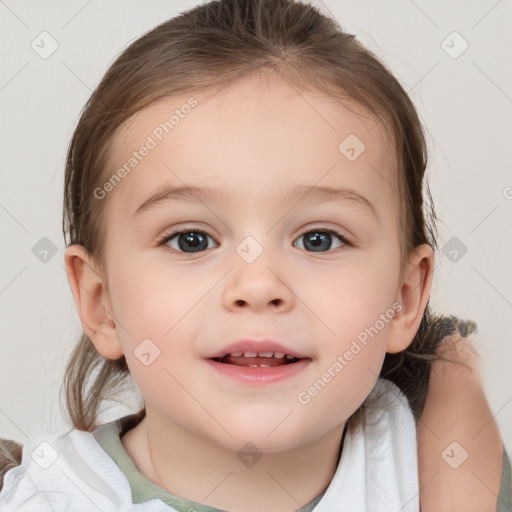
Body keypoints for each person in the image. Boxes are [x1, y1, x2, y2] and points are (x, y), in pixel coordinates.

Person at [0, 0, 509, 510]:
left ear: (404, 298)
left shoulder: (435, 464)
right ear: (99, 301)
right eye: (190, 239)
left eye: (319, 239)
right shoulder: (47, 499)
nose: (258, 286)